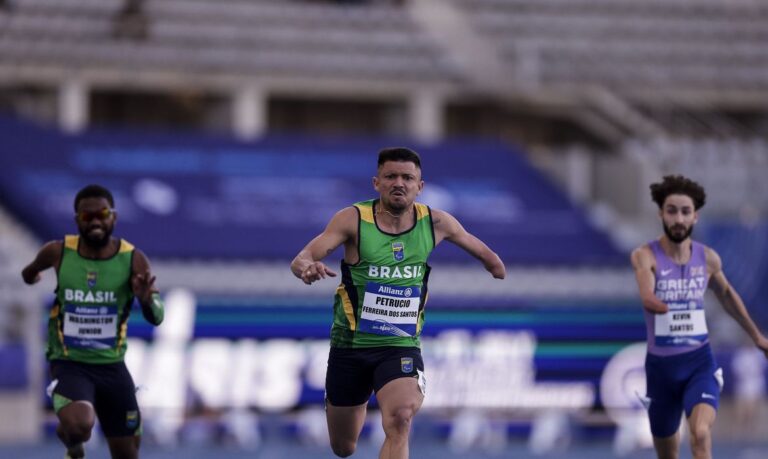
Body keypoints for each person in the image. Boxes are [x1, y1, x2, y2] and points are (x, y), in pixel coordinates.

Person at [290, 147, 505, 458]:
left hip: (400, 344)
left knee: (401, 418)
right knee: (343, 446)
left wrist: (495, 267)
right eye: (391, 176)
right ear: (377, 183)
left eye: (407, 177)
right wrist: (306, 268)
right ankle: (346, 401)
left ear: (420, 186)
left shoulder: (436, 222)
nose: (399, 183)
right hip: (350, 346)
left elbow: (487, 255)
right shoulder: (352, 219)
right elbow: (303, 257)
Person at [630, 175, 768, 459]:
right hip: (661, 370)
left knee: (701, 433)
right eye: (671, 211)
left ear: (695, 217)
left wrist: (757, 337)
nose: (678, 219)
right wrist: (656, 303)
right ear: (661, 214)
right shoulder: (645, 256)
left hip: (698, 363)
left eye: (685, 212)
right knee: (668, 453)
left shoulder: (708, 259)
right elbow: (645, 292)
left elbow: (728, 296)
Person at [22, 184, 164, 459]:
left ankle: (71, 436)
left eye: (102, 214)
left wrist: (147, 301)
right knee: (80, 425)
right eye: (87, 217)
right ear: (77, 220)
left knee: (127, 455)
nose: (95, 221)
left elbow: (158, 316)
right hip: (70, 362)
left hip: (112, 366)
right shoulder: (58, 252)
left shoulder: (133, 259)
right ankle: (72, 440)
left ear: (114, 217)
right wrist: (33, 277)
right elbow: (29, 272)